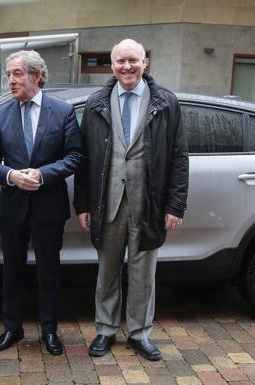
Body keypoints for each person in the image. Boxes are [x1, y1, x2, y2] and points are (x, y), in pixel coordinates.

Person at [74, 38, 189, 361]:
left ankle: (140, 333)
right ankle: (106, 329)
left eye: (133, 61)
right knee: (107, 271)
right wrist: (82, 205)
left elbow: (179, 157)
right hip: (106, 203)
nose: (127, 67)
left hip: (148, 204)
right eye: (121, 61)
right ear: (112, 66)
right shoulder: (96, 103)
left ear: (145, 62)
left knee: (143, 274)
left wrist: (175, 205)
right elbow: (83, 159)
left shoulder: (165, 102)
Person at [0, 50, 84, 355]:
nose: (10, 80)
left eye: (16, 73)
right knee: (11, 270)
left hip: (48, 205)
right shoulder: (1, 114)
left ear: (37, 76)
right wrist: (11, 175)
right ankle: (12, 328)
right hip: (13, 205)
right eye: (8, 74)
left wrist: (42, 175)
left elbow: (75, 156)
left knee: (49, 270)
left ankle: (50, 329)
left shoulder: (63, 111)